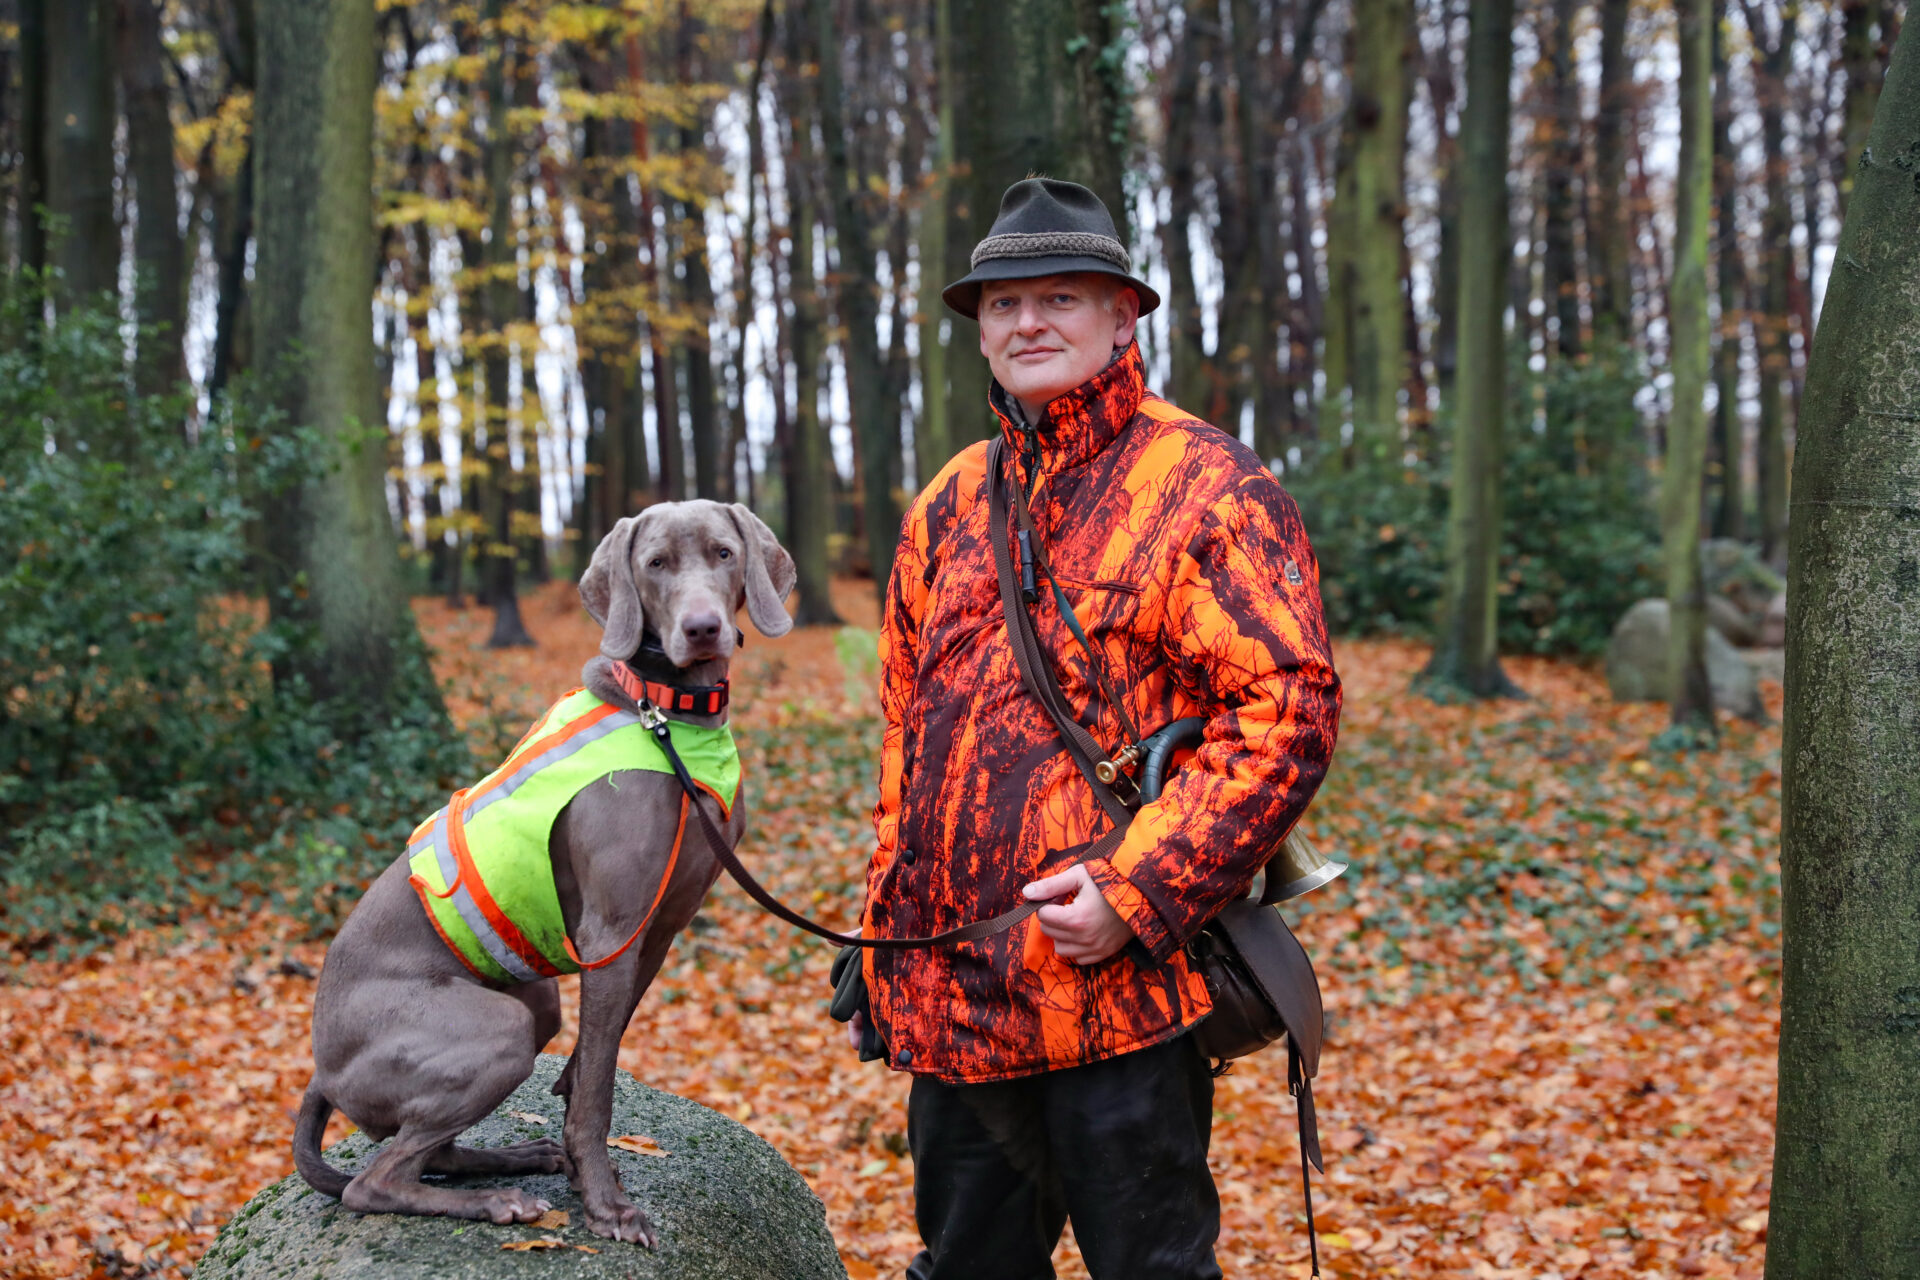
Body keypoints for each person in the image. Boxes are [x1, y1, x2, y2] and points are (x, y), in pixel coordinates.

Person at [851, 177, 1342, 1280]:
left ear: (1124, 317)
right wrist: (888, 951)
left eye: (1060, 297)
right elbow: (905, 742)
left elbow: (1287, 715)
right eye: (1002, 303)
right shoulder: (947, 504)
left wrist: (1134, 892)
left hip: (1119, 993)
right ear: (980, 330)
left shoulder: (1205, 485)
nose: (1027, 322)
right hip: (960, 994)